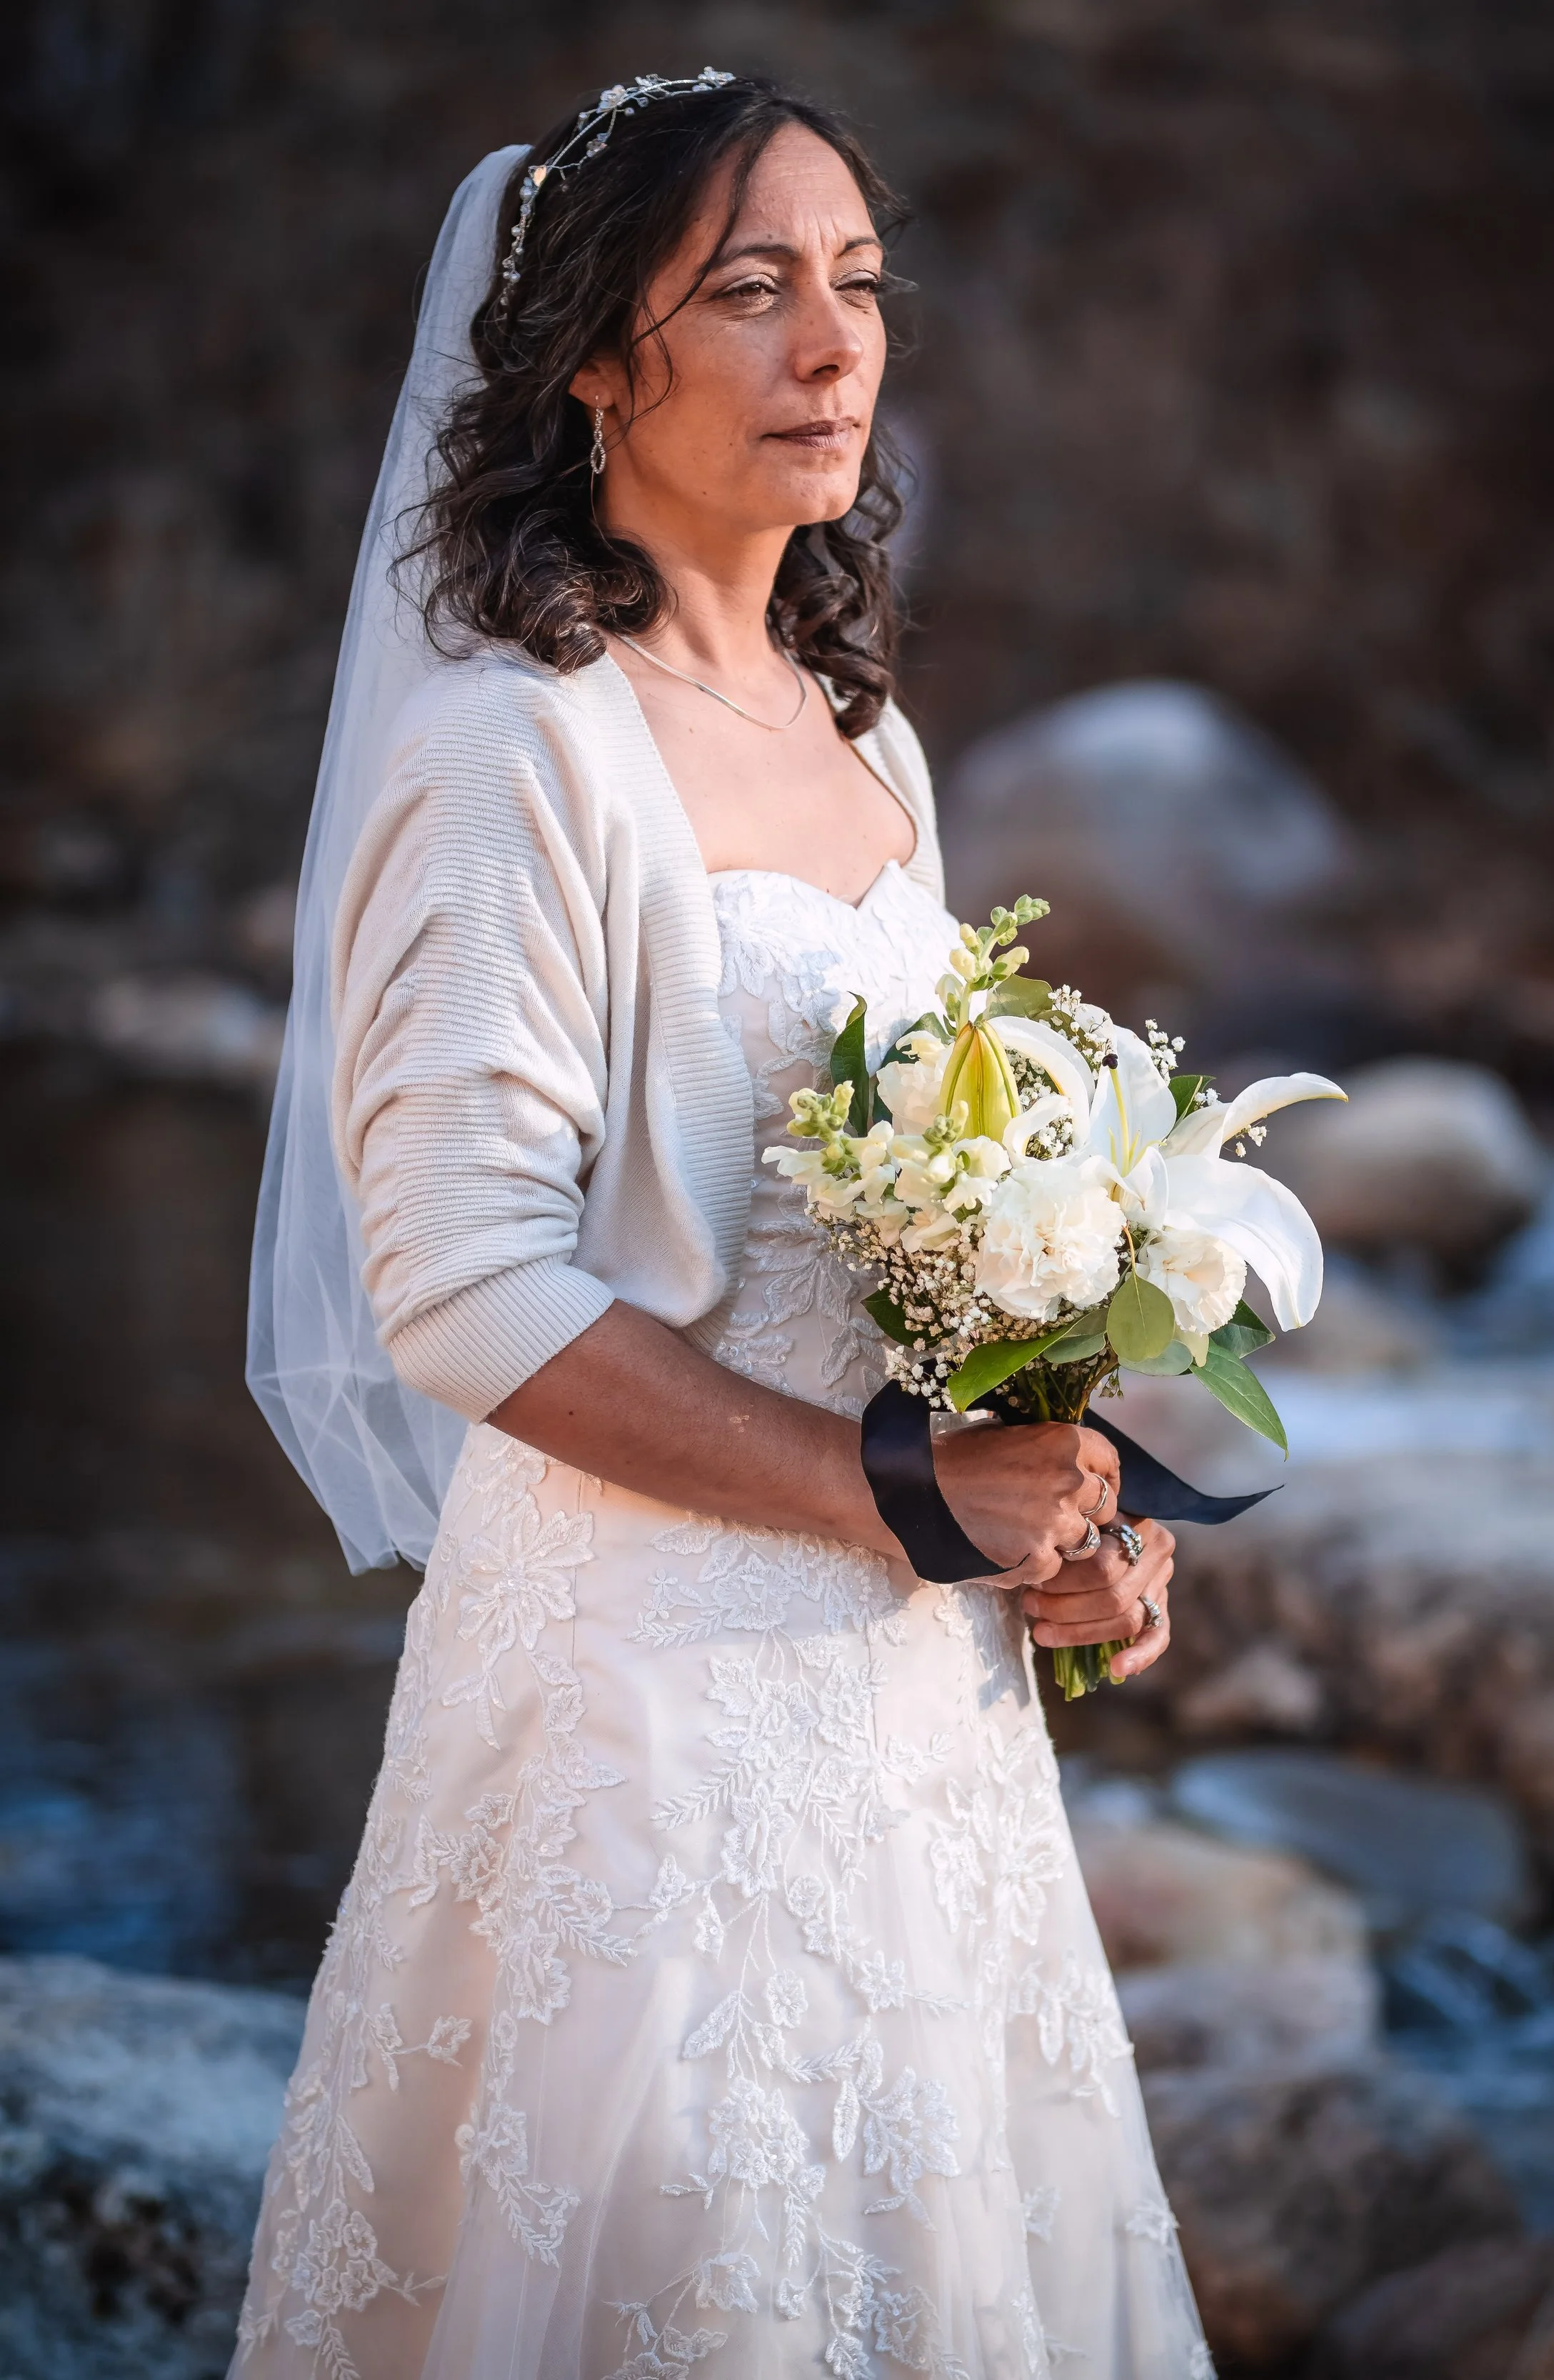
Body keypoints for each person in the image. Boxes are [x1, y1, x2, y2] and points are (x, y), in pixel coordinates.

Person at [236, 71, 1211, 2379]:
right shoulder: (509, 754)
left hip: (915, 1714)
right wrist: (899, 1491)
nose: (832, 345)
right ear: (592, 356)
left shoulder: (864, 741)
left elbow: (921, 1236)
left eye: (858, 283)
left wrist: (1050, 1508)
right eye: (748, 289)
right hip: (638, 1722)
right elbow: (467, 1285)